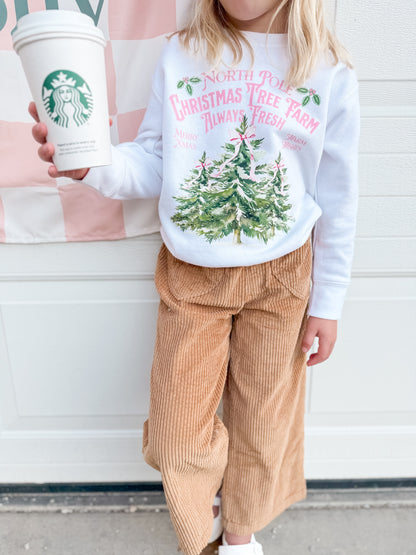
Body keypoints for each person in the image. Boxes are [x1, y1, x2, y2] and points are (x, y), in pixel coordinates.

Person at [29, 0, 360, 553]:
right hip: (194, 275)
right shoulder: (183, 53)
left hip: (281, 278)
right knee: (178, 435)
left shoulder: (326, 69)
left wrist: (329, 299)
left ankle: (239, 534)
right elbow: (157, 160)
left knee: (262, 422)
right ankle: (199, 525)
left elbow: (339, 196)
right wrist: (93, 165)